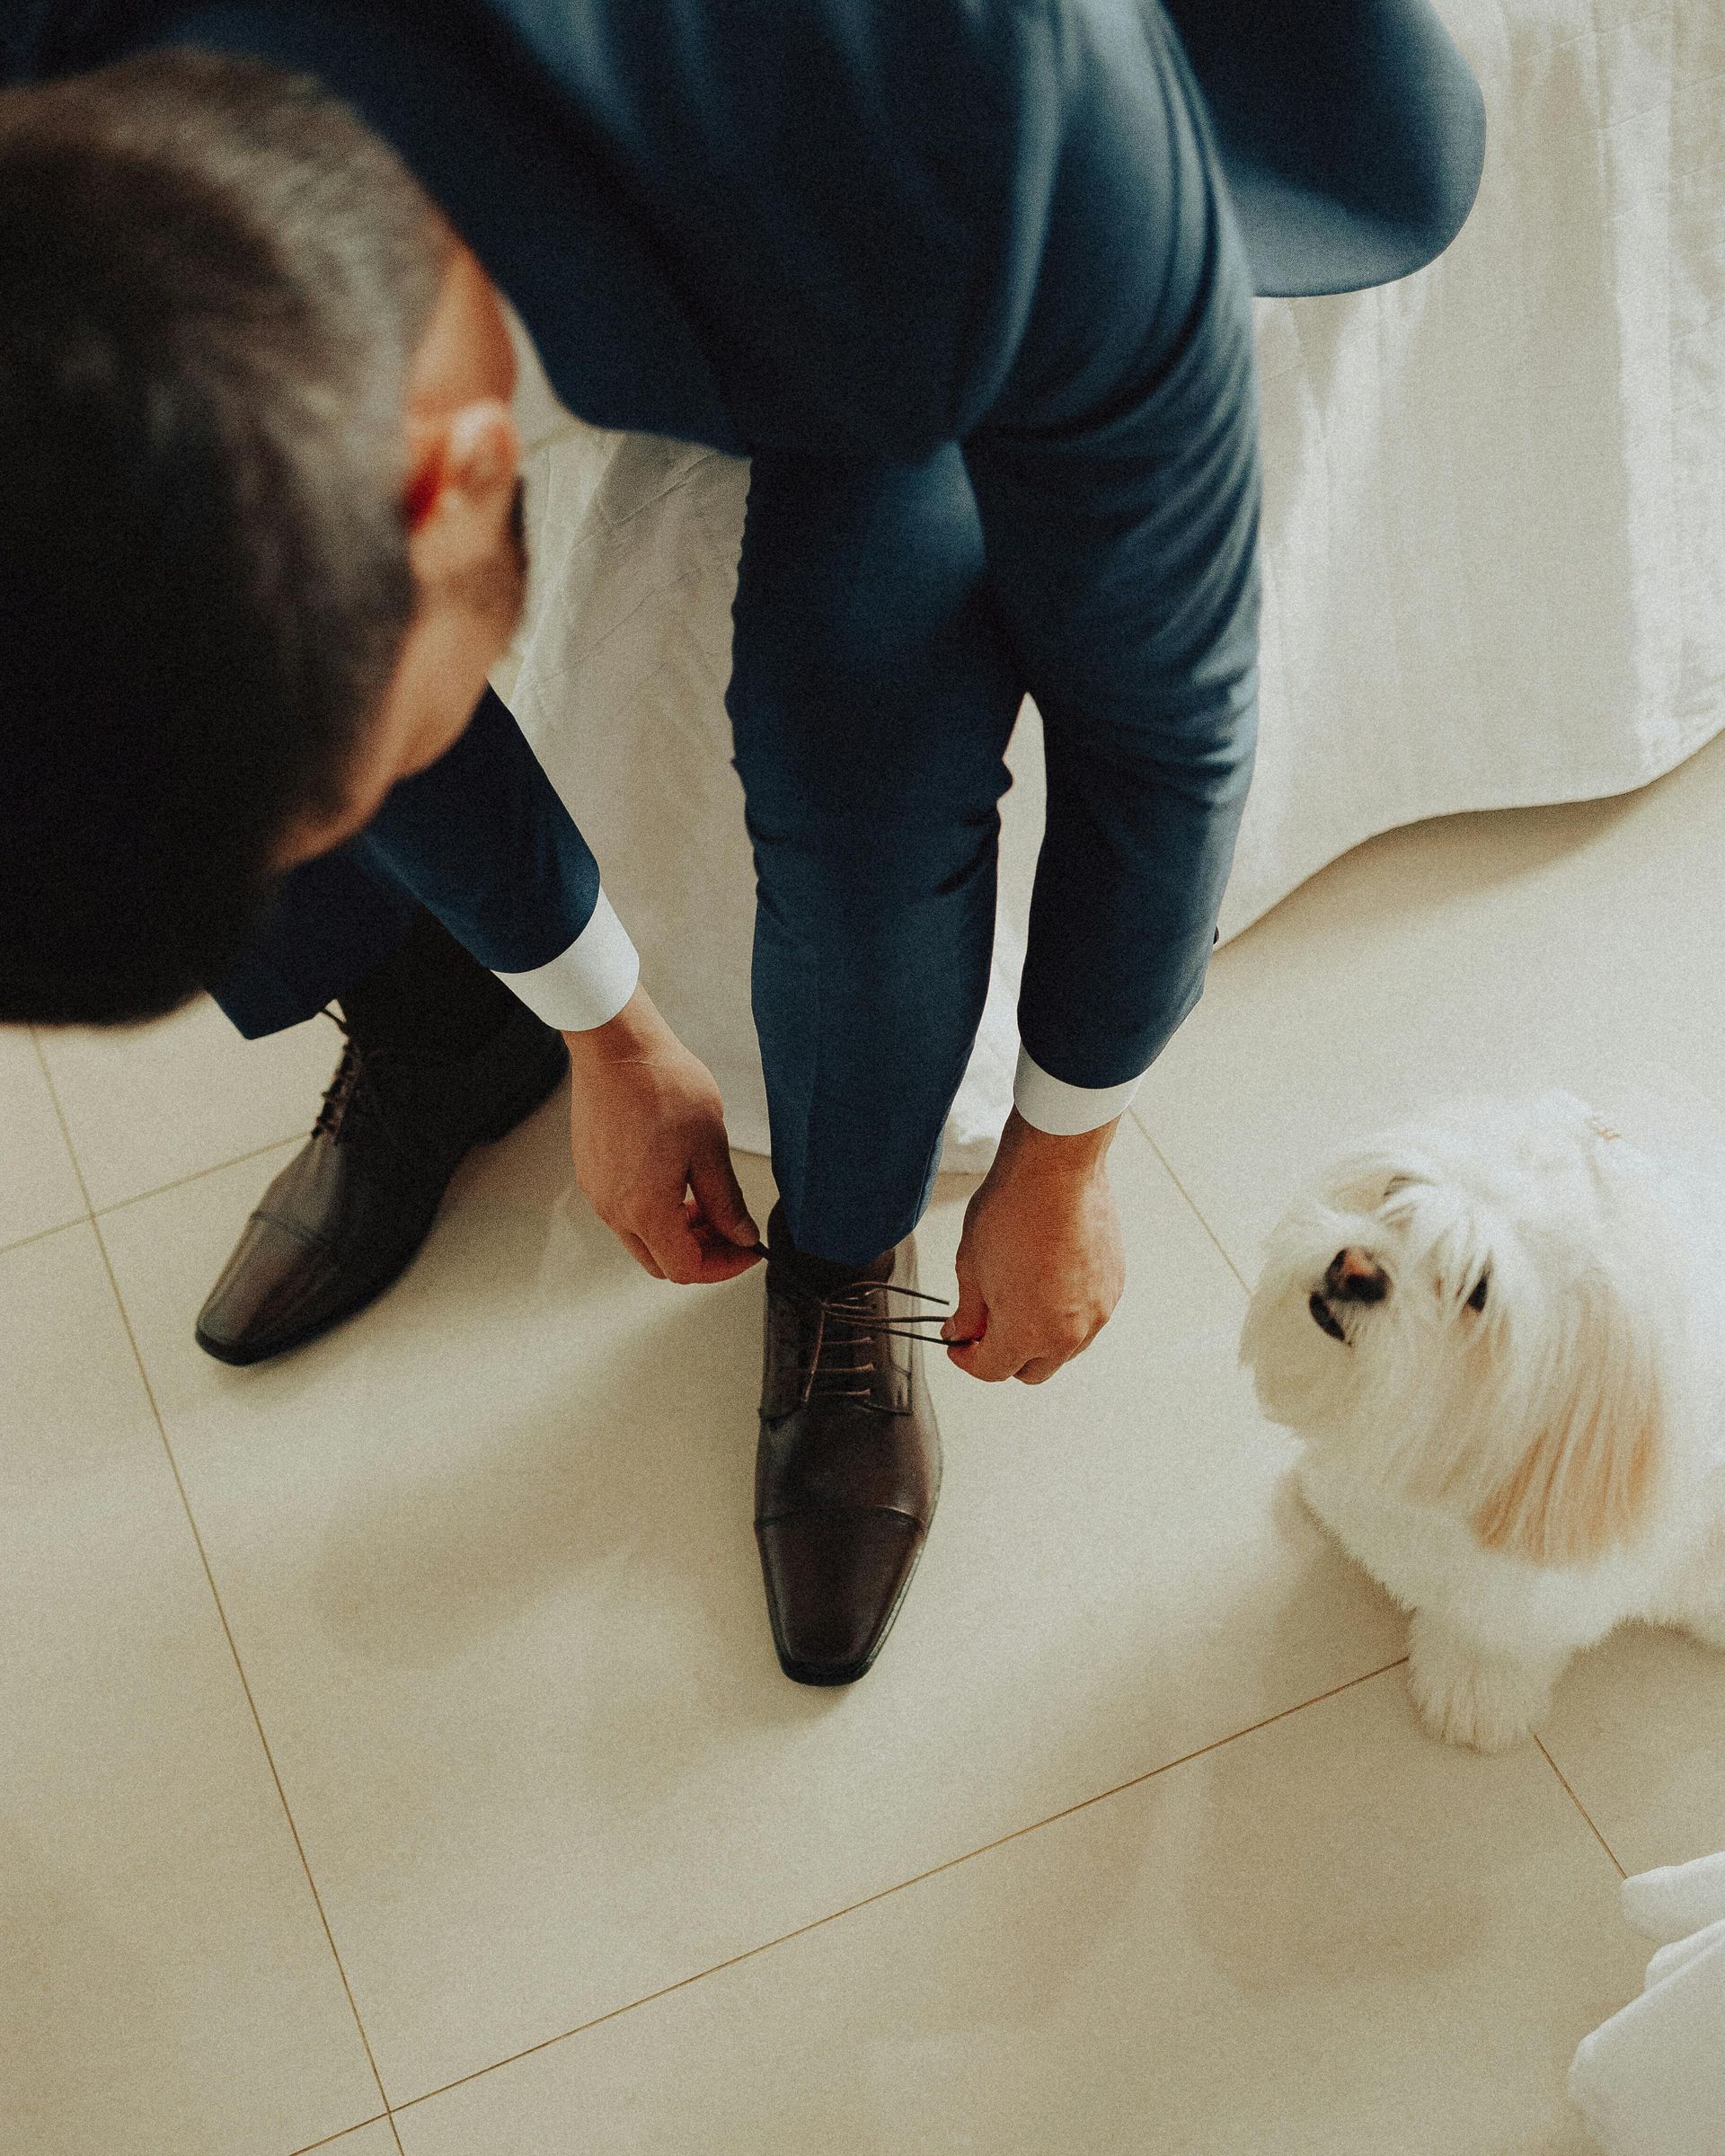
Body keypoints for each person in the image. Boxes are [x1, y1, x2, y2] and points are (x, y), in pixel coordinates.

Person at [0, 1, 1482, 1683]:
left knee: (862, 703)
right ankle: (447, 1011)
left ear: (463, 480)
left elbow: (1160, 718)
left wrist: (1063, 1157)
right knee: (157, 654)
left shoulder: (990, 119)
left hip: (866, 149)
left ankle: (848, 1246)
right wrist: (603, 1026)